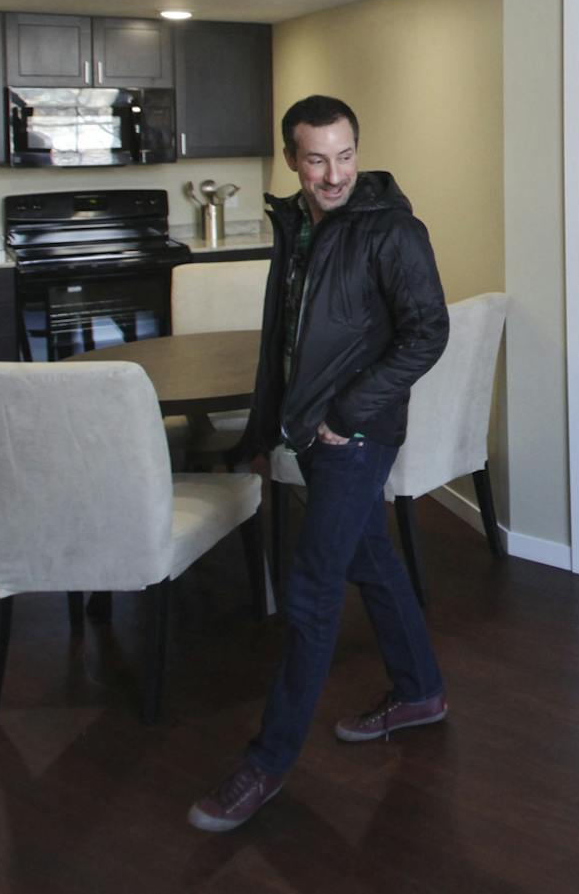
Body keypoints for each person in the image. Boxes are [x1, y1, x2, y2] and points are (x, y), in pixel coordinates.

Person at [190, 95, 452, 833]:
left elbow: (429, 331)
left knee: (310, 590)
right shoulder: (297, 222)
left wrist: (344, 413)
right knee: (371, 557)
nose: (333, 173)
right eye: (316, 158)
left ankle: (266, 763)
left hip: (357, 434)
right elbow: (286, 334)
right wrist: (268, 427)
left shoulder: (393, 231)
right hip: (311, 432)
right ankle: (421, 689)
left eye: (344, 155)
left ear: (358, 151)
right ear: (292, 158)